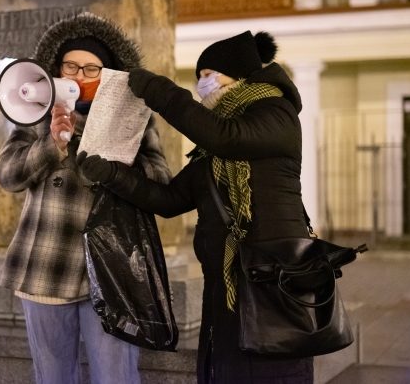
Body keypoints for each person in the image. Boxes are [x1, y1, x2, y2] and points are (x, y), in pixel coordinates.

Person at [77, 30, 314, 383]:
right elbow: (171, 200)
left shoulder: (275, 112)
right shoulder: (213, 147)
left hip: (272, 280)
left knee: (275, 372)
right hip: (226, 281)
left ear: (236, 74)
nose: (201, 84)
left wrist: (160, 92)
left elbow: (225, 137)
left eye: (207, 75)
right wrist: (111, 174)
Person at [0, 12, 171, 384]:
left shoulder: (135, 116)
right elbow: (7, 175)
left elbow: (161, 179)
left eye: (91, 69)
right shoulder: (36, 112)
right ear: (57, 68)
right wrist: (51, 145)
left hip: (113, 268)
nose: (79, 76)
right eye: (71, 66)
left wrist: (119, 165)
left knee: (116, 376)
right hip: (47, 260)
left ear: (107, 74)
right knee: (52, 376)